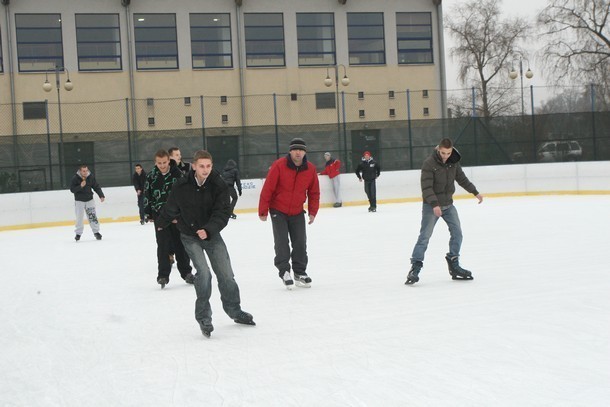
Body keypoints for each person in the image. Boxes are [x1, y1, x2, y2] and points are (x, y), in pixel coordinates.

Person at [159, 150, 255, 338]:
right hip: (189, 235)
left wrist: (209, 229)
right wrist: (161, 225)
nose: (205, 170)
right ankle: (204, 317)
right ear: (193, 166)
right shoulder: (181, 186)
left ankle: (234, 310)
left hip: (211, 234)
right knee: (204, 273)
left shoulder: (218, 184)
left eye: (208, 166)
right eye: (201, 166)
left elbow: (223, 212)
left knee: (226, 274)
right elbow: (171, 208)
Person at [405, 138, 483, 285]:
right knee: (424, 237)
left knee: (457, 233)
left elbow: (462, 179)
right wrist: (434, 205)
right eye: (443, 153)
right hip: (431, 206)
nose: (445, 156)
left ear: (452, 150)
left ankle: (454, 263)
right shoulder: (429, 163)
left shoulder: (454, 161)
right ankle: (415, 267)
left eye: (448, 153)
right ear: (438, 149)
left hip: (448, 205)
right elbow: (426, 187)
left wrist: (475, 192)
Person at [258, 137, 320, 290]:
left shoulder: (310, 169)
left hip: (297, 211)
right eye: (295, 150)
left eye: (301, 150)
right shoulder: (279, 165)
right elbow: (268, 188)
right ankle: (285, 271)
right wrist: (263, 210)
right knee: (282, 243)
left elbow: (314, 192)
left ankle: (300, 272)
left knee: (300, 242)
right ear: (290, 151)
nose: (298, 152)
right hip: (278, 210)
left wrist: (313, 211)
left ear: (305, 152)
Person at [144, 149, 194, 288]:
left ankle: (186, 273)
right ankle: (163, 276)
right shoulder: (151, 176)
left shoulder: (178, 174)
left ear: (168, 161)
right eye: (159, 163)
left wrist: (186, 212)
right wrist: (148, 212)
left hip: (177, 216)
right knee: (163, 246)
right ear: (155, 162)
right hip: (160, 216)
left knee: (180, 245)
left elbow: (185, 195)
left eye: (164, 162)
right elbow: (147, 194)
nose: (162, 165)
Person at [70, 164, 105, 241]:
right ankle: (78, 234)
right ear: (80, 171)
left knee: (92, 216)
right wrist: (80, 186)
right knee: (79, 217)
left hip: (89, 200)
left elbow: (96, 186)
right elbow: (72, 190)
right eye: (83, 171)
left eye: (86, 170)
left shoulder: (90, 177)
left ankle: (96, 232)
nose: (85, 172)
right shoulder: (75, 178)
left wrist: (101, 195)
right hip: (79, 201)